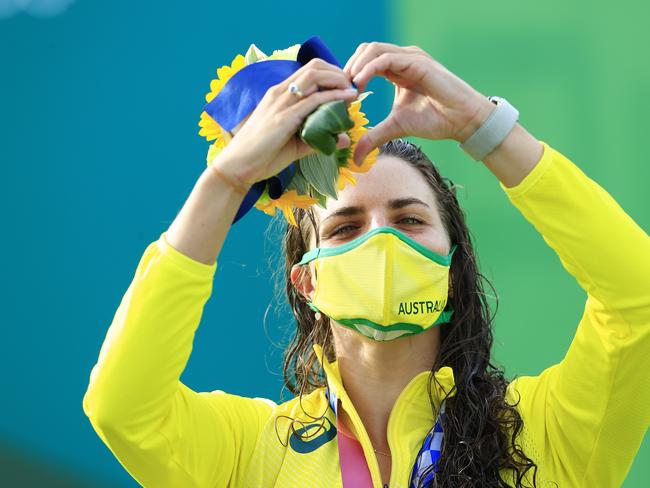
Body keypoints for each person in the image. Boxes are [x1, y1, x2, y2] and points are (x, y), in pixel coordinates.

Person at [82, 42, 650, 487]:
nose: (381, 240)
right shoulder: (247, 450)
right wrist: (226, 181)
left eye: (409, 221)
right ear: (306, 280)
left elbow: (639, 296)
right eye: (346, 227)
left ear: (451, 266)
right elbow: (123, 408)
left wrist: (484, 125)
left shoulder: (544, 434)